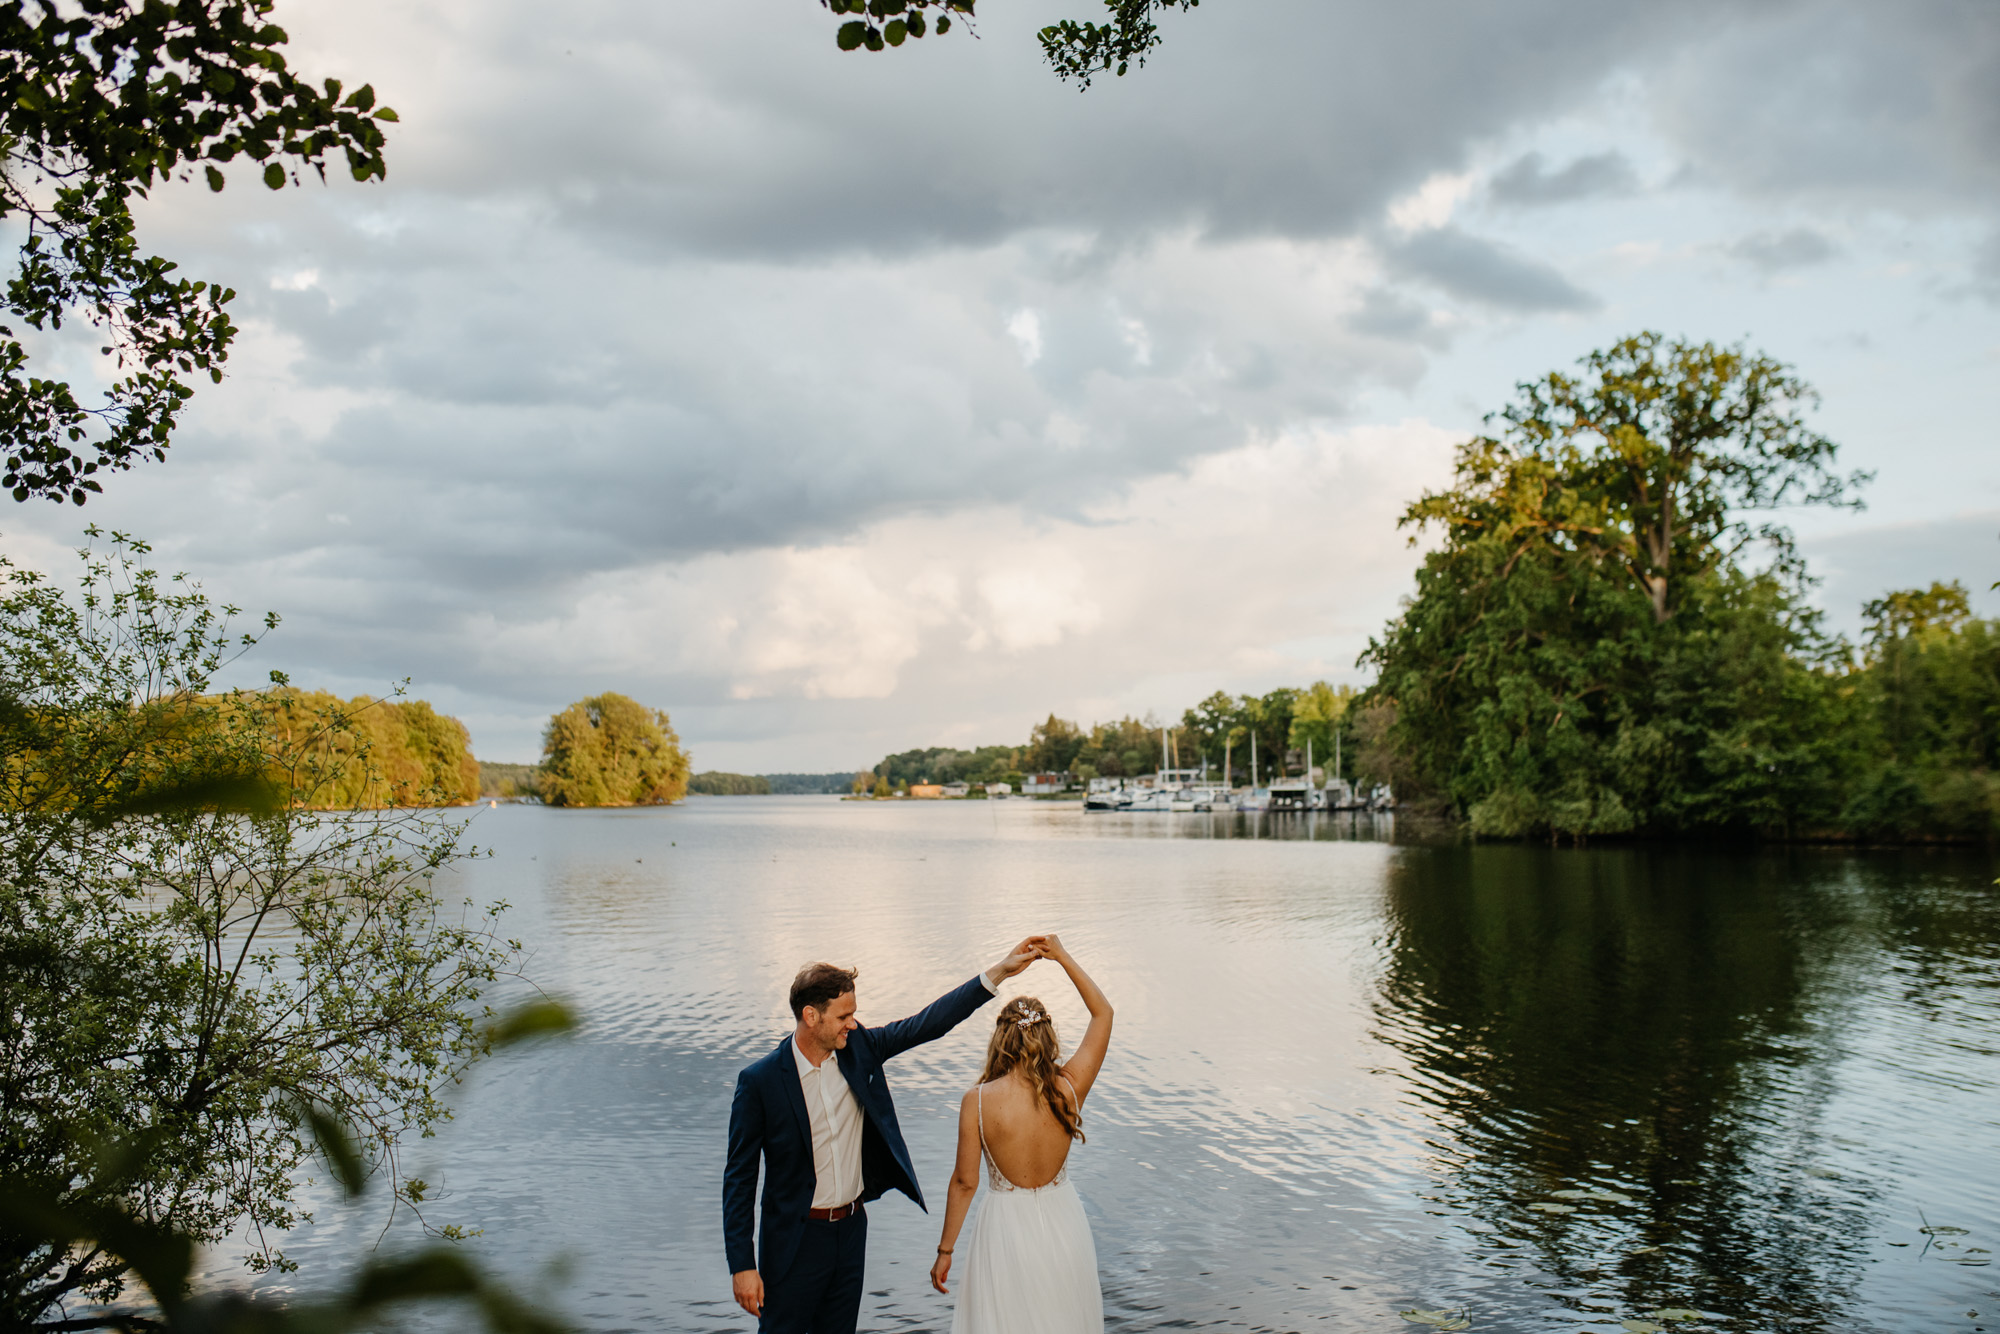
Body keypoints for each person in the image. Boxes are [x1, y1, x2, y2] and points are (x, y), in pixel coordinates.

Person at [725, 940, 1044, 1334]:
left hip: (850, 1231)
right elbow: (739, 1180)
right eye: (843, 1016)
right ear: (811, 1016)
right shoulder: (760, 1082)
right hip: (794, 1240)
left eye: (853, 1014)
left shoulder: (860, 1049)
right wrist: (742, 1265)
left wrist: (999, 972)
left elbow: (927, 1023)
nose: (852, 1023)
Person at [930, 933, 1114, 1334]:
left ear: (1000, 1039)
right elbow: (1103, 1014)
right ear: (1047, 1036)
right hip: (1064, 1223)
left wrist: (945, 1250)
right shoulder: (1070, 1088)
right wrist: (1062, 956)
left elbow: (964, 1183)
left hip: (1004, 1230)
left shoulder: (977, 1101)